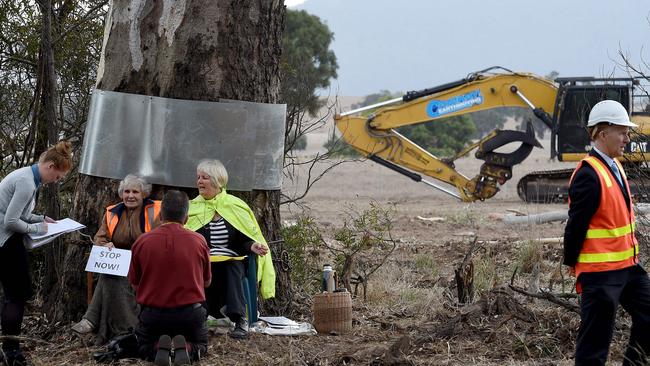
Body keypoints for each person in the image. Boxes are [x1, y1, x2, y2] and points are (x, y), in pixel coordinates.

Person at [563, 100, 650, 366]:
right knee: (594, 346)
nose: (627, 139)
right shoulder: (589, 174)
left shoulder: (615, 166)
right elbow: (575, 225)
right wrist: (571, 262)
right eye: (622, 132)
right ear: (603, 133)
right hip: (600, 274)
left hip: (627, 268)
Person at [0, 141, 72, 366]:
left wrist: (41, 218)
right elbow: (11, 221)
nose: (56, 182)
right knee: (17, 296)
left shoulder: (29, 177)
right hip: (5, 241)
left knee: (14, 294)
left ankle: (9, 346)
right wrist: (37, 229)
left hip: (7, 240)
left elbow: (18, 212)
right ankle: (11, 351)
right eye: (58, 177)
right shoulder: (26, 182)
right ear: (50, 166)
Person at [185, 159, 275, 339]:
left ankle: (239, 318)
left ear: (217, 182)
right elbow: (184, 239)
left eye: (205, 178)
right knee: (195, 268)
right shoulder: (191, 207)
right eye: (198, 177)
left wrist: (253, 245)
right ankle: (197, 319)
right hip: (204, 260)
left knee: (232, 266)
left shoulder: (235, 206)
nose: (199, 182)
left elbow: (244, 238)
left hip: (231, 260)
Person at [72, 174, 161, 345]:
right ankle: (97, 321)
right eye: (126, 191)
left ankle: (92, 319)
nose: (130, 195)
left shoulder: (154, 211)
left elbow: (161, 238)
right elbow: (99, 238)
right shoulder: (113, 212)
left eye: (135, 191)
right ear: (121, 194)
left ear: (144, 194)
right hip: (119, 261)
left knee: (109, 274)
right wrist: (106, 245)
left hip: (145, 263)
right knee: (109, 273)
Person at [128, 190, 211, 365]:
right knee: (201, 345)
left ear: (160, 215)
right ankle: (188, 348)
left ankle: (157, 347)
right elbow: (206, 282)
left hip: (154, 314)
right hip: (190, 313)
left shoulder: (142, 242)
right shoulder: (199, 241)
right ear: (186, 217)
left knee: (142, 346)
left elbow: (135, 285)